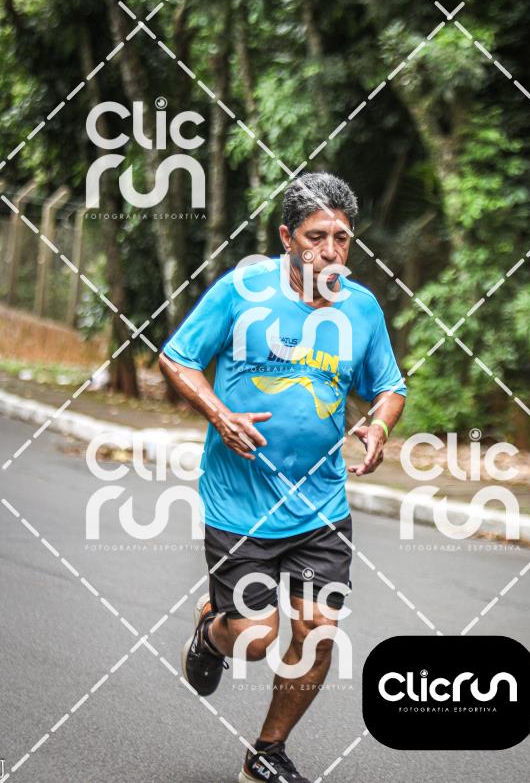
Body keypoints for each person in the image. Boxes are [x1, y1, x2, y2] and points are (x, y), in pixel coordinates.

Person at [159, 172, 407, 783]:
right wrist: (220, 415)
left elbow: (389, 386)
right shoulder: (241, 290)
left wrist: (379, 425)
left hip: (321, 504)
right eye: (316, 237)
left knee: (318, 633)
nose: (330, 251)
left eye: (342, 238)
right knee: (254, 637)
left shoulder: (361, 307)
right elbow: (178, 358)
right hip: (241, 501)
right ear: (286, 237)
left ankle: (266, 752)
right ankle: (211, 632)